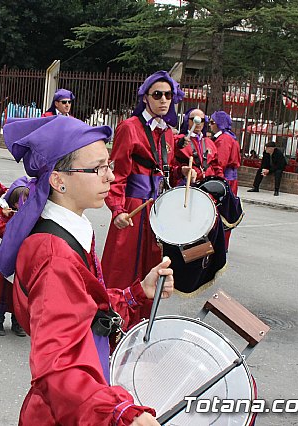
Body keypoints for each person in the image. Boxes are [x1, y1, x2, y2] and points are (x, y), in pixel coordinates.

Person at [0, 115, 174, 425]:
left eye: (108, 165)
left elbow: (84, 308)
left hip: (77, 399)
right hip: (66, 411)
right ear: (58, 180)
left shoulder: (72, 229)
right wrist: (119, 413)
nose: (109, 178)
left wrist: (135, 293)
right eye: (96, 169)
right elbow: (58, 367)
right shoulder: (53, 255)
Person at [101, 70, 184, 324]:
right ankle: (112, 325)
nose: (163, 99)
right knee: (123, 268)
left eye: (168, 95)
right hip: (134, 207)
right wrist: (117, 209)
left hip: (157, 209)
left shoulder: (168, 132)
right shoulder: (129, 128)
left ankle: (142, 326)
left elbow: (164, 169)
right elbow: (118, 174)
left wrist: (183, 171)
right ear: (145, 97)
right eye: (157, 94)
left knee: (152, 268)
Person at [0, 176, 30, 337]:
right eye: (18, 202)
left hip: (24, 263)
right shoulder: (8, 217)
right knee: (1, 291)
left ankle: (18, 322)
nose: (21, 205)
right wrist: (6, 217)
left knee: (20, 293)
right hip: (6, 260)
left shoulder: (32, 219)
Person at [171, 108, 221, 185]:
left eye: (202, 120)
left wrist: (220, 182)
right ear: (188, 120)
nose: (199, 123)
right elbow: (172, 160)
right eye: (194, 119)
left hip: (208, 186)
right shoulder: (178, 139)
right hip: (186, 184)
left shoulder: (209, 142)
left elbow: (216, 166)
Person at [210, 110, 241, 195]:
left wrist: (219, 179)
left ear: (219, 123)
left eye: (212, 122)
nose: (210, 125)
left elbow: (220, 161)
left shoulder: (224, 139)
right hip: (229, 177)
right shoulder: (229, 137)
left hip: (225, 177)